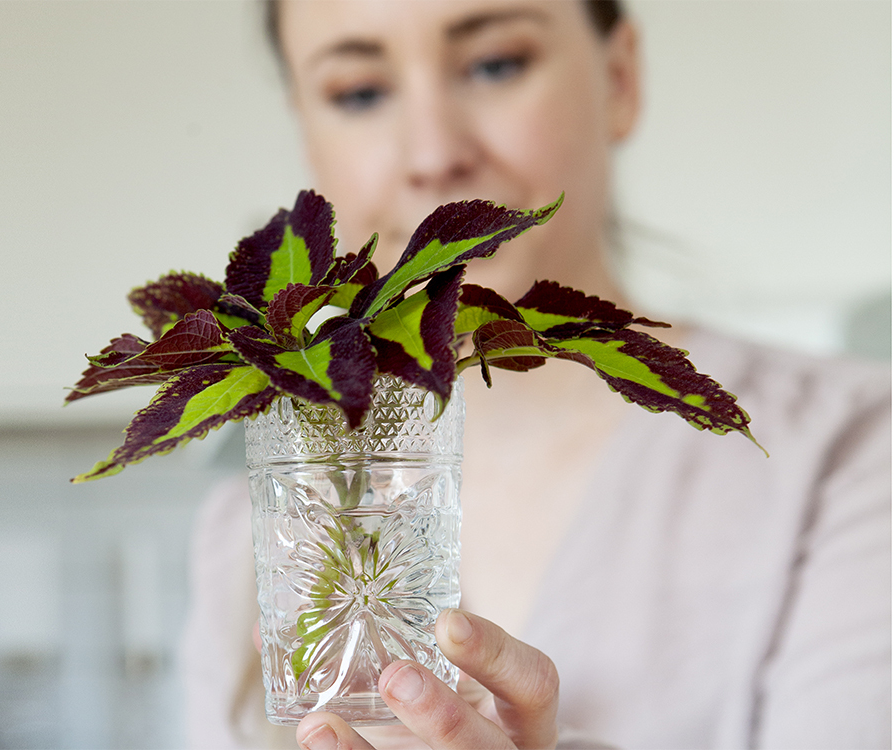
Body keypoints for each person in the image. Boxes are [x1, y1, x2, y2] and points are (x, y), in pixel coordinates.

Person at [180, 1, 892, 748]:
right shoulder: (253, 533)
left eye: (496, 65)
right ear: (306, 130)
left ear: (619, 79)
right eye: (359, 92)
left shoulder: (850, 453)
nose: (434, 153)